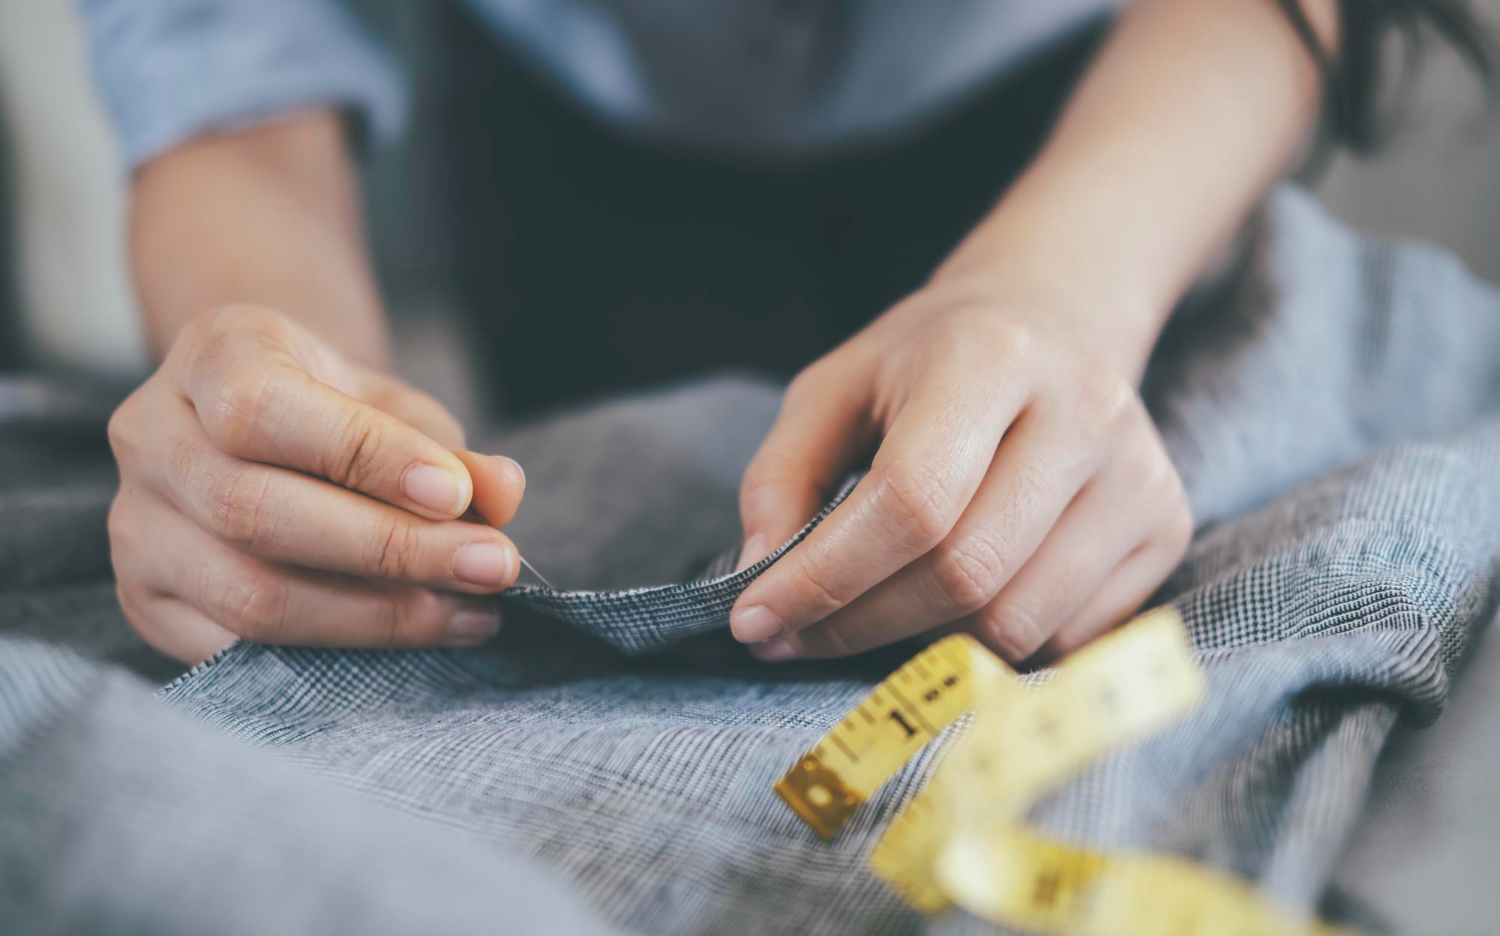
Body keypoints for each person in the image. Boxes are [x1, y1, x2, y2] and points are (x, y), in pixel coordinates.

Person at [87, 0, 1489, 665]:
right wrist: (270, 385)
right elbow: (229, 60)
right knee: (586, 529)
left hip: (1102, 89)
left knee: (1052, 531)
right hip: (574, 138)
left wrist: (1070, 286)